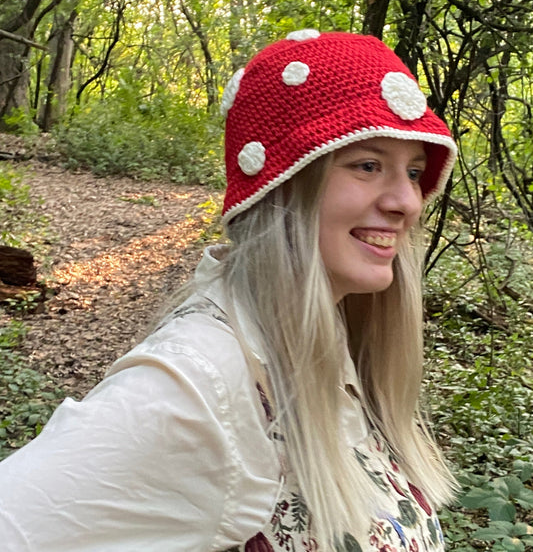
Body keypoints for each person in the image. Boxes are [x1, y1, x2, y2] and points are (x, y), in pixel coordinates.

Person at [0, 29, 458, 552]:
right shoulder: (201, 384)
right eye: (367, 165)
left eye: (415, 170)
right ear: (282, 184)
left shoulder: (332, 347)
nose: (408, 200)